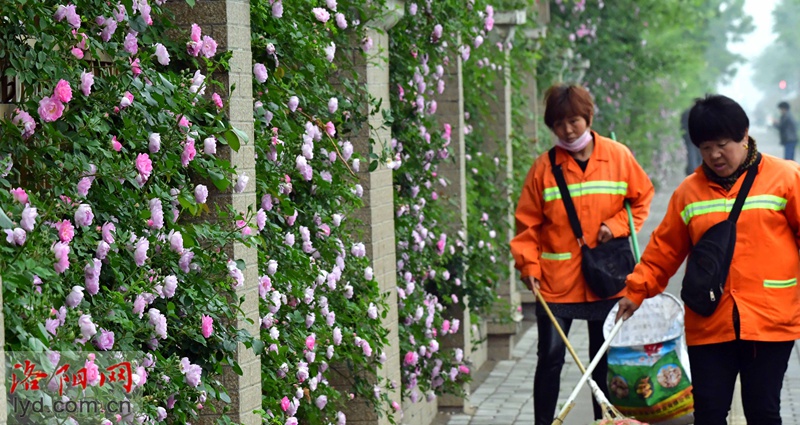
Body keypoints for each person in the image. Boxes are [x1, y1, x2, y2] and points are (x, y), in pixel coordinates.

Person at [617, 94, 800, 425]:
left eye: (722, 144)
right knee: (710, 413)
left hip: (770, 320)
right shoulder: (689, 192)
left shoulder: (786, 178)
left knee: (763, 411)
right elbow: (664, 250)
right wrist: (636, 290)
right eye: (704, 147)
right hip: (709, 321)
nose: (714, 155)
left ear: (745, 135)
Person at [510, 83, 654, 425]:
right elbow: (526, 225)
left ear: (588, 117)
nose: (568, 129)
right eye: (558, 124)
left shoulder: (618, 156)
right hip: (555, 283)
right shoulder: (543, 168)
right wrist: (528, 267)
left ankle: (603, 420)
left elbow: (642, 199)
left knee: (600, 361)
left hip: (606, 279)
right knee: (550, 357)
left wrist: (616, 225)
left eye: (574, 120)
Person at [682, 107, 703, 174]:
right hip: (693, 140)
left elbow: (683, 128)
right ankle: (694, 174)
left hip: (693, 140)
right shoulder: (699, 114)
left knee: (693, 157)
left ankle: (694, 174)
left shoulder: (686, 113)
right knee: (695, 158)